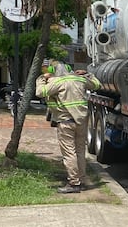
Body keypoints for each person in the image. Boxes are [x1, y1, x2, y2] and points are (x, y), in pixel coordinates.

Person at [36, 60, 101, 194]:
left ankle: (73, 183)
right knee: (80, 152)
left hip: (66, 123)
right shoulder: (80, 80)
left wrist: (42, 78)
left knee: (69, 153)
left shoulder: (58, 82)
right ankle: (82, 181)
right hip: (81, 122)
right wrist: (88, 74)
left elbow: (40, 92)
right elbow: (97, 84)